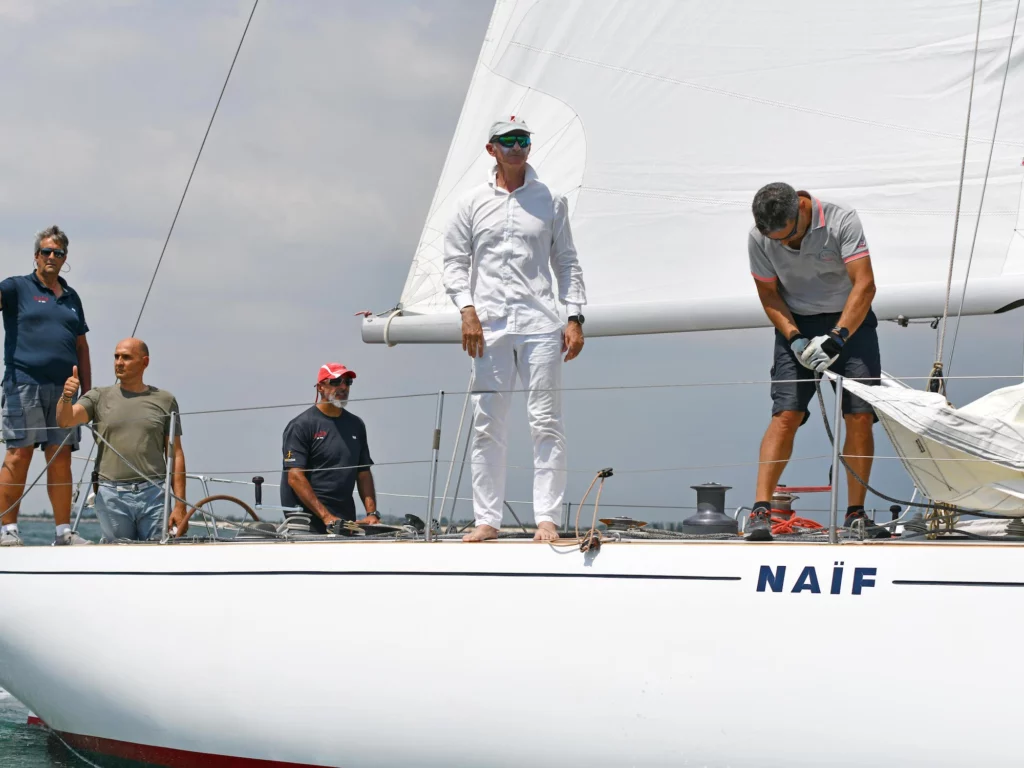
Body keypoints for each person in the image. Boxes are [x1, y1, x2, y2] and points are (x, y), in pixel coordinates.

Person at [443, 116, 586, 543]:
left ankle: (547, 518)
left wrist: (575, 317)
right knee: (487, 422)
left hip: (542, 323)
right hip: (488, 326)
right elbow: (453, 262)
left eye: (523, 139)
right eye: (508, 141)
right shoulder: (471, 202)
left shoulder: (551, 200)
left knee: (546, 421)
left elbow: (567, 262)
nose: (517, 147)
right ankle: (487, 519)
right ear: (492, 149)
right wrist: (466, 310)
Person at [746, 182, 887, 541]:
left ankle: (855, 514)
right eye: (775, 240)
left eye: (788, 237)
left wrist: (838, 337)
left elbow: (865, 285)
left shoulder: (842, 221)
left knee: (859, 415)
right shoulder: (760, 237)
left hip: (850, 322)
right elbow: (768, 293)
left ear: (803, 211)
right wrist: (793, 338)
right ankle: (760, 511)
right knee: (786, 414)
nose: (783, 245)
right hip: (797, 325)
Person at [0, 226, 92, 547]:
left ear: (65, 258)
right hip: (23, 383)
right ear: (36, 255)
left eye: (58, 253)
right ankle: (7, 530)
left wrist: (89, 395)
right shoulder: (16, 288)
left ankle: (63, 532)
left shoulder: (71, 297)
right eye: (46, 252)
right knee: (18, 455)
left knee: (61, 457)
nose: (52, 257)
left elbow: (82, 346)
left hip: (65, 391)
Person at [56, 338, 188, 542]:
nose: (119, 362)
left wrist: (180, 505)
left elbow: (175, 453)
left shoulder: (165, 400)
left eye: (126, 357)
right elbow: (65, 420)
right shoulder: (98, 396)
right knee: (117, 558)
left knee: (158, 559)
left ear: (145, 362)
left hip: (154, 494)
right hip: (111, 495)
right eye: (116, 356)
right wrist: (66, 397)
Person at [280, 363, 378, 533]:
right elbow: (295, 477)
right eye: (336, 382)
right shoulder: (301, 425)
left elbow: (363, 473)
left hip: (344, 521)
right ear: (320, 387)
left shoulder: (356, 425)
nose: (343, 387)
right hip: (306, 522)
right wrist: (326, 517)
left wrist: (372, 513)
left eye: (347, 382)